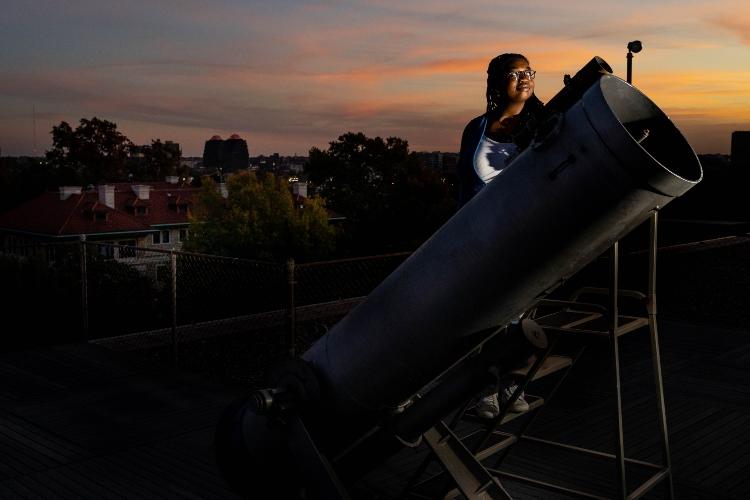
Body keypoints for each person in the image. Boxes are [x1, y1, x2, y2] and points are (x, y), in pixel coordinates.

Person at [456, 53, 545, 419]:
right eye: (514, 72)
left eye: (529, 72)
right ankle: (484, 389)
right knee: (482, 315)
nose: (524, 78)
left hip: (523, 234)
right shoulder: (476, 128)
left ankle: (511, 383)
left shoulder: (544, 124)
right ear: (495, 82)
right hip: (479, 236)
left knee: (515, 314)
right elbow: (464, 186)